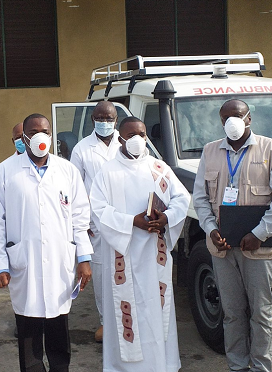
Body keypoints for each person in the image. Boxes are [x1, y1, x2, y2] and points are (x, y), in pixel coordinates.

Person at [0, 113, 93, 372]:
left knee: (58, 327)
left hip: (60, 261)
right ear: (23, 138)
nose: (39, 137)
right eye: (33, 132)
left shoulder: (67, 170)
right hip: (25, 263)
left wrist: (84, 258)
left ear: (51, 135)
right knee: (29, 330)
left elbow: (80, 217)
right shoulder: (3, 173)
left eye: (44, 131)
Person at [192, 99, 272, 372]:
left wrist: (259, 234)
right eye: (225, 118)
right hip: (222, 248)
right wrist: (211, 230)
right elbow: (200, 198)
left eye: (236, 116)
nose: (230, 122)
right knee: (232, 312)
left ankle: (260, 367)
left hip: (259, 248)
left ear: (249, 118)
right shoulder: (210, 151)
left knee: (261, 312)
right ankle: (237, 366)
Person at [89, 116, 190, 371]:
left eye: (142, 134)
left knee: (156, 311)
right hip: (124, 254)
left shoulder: (159, 168)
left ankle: (161, 364)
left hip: (155, 254)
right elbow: (98, 210)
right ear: (119, 138)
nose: (137, 139)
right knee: (128, 312)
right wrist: (130, 222)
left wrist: (166, 218)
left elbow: (182, 198)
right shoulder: (108, 172)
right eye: (131, 134)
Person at [69, 100, 121, 343]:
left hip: (125, 220)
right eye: (100, 118)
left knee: (125, 271)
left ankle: (126, 318)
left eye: (109, 119)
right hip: (95, 224)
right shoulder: (82, 149)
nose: (105, 123)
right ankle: (105, 322)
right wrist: (81, 223)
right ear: (92, 120)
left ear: (116, 120)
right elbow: (74, 189)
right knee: (100, 274)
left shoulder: (128, 143)